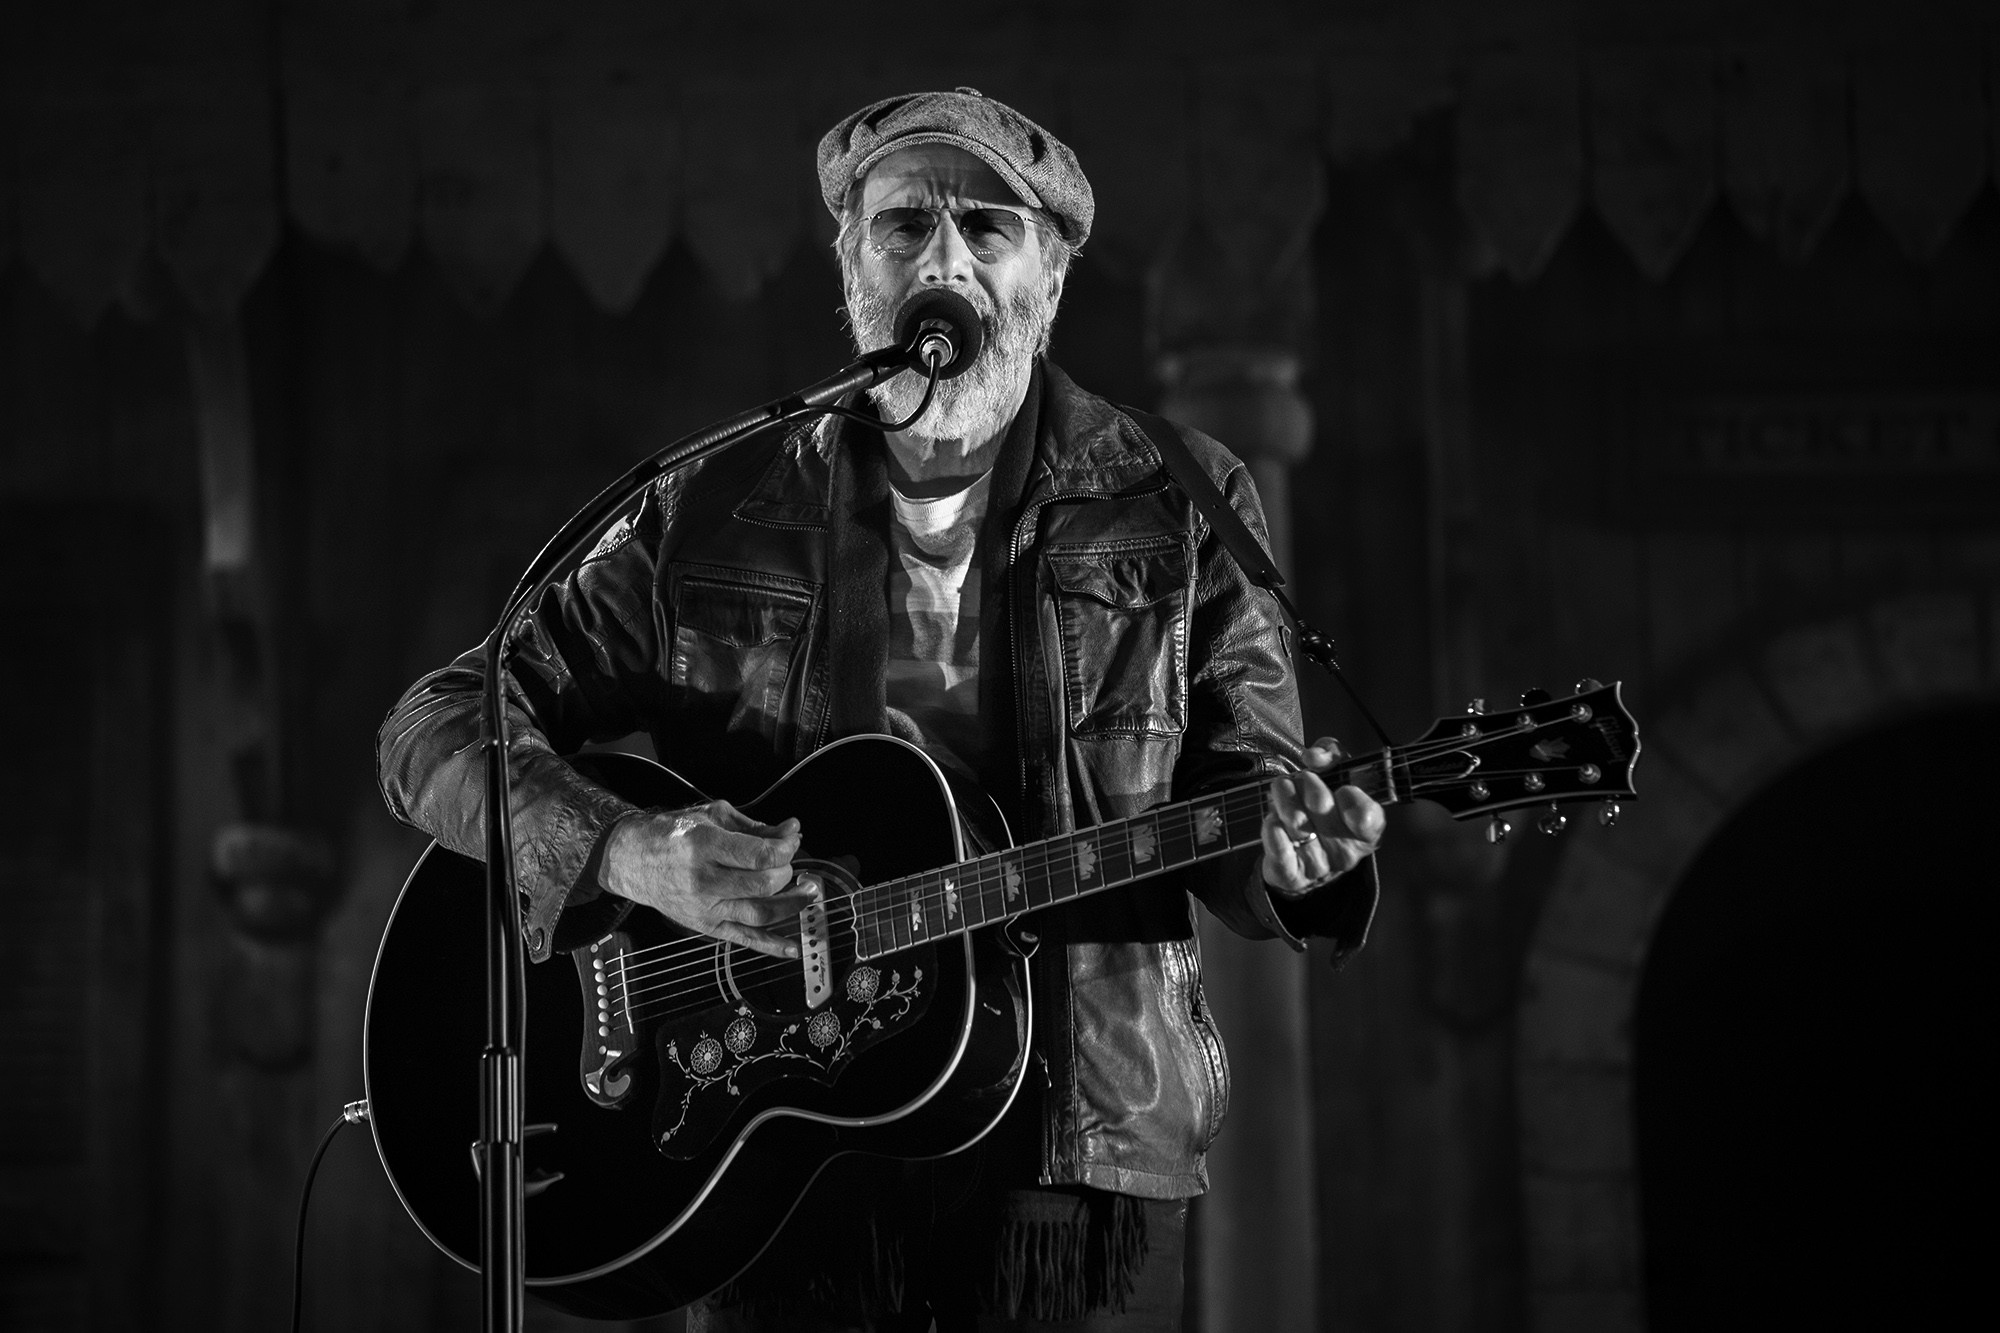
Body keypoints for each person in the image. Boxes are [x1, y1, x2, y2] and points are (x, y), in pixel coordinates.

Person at [377, 87, 1386, 1332]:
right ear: (851, 264)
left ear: (1049, 278)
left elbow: (1249, 791)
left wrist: (1297, 862)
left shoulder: (1178, 498)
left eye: (986, 227)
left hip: (1077, 1147)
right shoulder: (714, 505)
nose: (942, 259)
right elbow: (436, 723)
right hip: (772, 1148)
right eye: (904, 226)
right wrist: (628, 852)